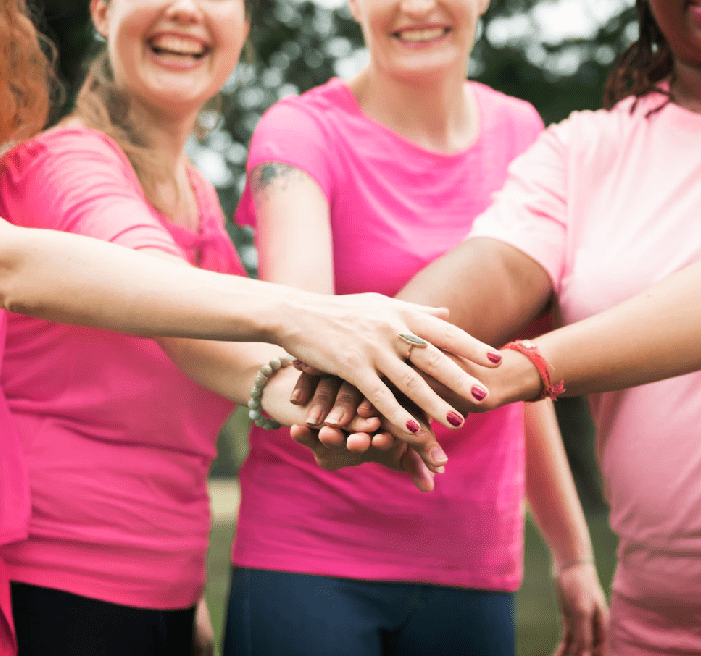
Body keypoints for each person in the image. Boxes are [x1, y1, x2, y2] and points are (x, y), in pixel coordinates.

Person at [0, 0, 500, 654]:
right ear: (101, 12)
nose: (185, 9)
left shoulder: (198, 193)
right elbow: (136, 293)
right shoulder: (64, 165)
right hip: (53, 586)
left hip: (152, 585)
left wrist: (320, 407)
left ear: (244, 27)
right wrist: (310, 326)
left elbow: (192, 365)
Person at [301, 1, 701, 653]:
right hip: (654, 631)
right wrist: (367, 376)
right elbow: (497, 267)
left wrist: (525, 368)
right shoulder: (585, 148)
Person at [223, 0, 609, 652]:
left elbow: (511, 370)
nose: (419, 6)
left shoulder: (521, 131)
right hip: (309, 549)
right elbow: (302, 325)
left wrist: (572, 553)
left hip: (471, 556)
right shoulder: (299, 133)